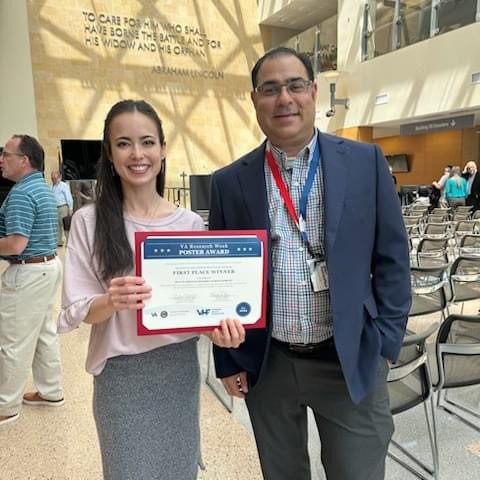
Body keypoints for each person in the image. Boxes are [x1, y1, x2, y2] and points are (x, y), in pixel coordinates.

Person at [208, 47, 411, 480]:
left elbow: (392, 256)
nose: (284, 99)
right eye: (270, 89)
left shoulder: (364, 163)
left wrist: (387, 343)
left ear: (314, 92)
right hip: (269, 362)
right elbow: (220, 282)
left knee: (356, 473)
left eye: (295, 85)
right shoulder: (230, 182)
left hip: (349, 357)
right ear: (254, 99)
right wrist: (227, 359)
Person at [57, 99, 245, 480]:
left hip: (178, 369)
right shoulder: (88, 221)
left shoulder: (189, 223)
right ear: (109, 154)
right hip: (121, 378)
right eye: (123, 143)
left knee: (179, 470)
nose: (137, 154)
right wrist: (110, 300)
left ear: (162, 150)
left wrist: (221, 331)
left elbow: (198, 311)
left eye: (147, 142)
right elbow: (77, 310)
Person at [0, 134, 64, 427]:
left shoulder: (22, 194)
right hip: (49, 266)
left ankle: (6, 406)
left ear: (24, 160)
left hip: (28, 272)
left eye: (6, 154)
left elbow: (15, 244)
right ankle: (51, 391)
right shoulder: (40, 187)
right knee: (42, 333)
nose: (1, 160)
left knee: (12, 340)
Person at [51, 170, 73, 246]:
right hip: (55, 208)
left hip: (63, 207)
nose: (53, 180)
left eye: (55, 178)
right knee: (57, 225)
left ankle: (69, 242)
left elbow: (69, 197)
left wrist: (70, 208)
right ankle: (59, 242)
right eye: (52, 178)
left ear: (59, 177)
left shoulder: (63, 185)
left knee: (65, 225)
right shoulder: (52, 187)